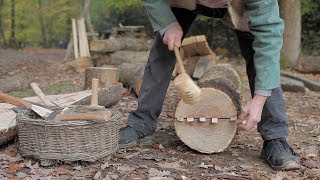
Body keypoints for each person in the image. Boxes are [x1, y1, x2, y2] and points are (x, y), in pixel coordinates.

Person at [119, 0, 301, 170]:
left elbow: (268, 38)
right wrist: (167, 24)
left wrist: (259, 100)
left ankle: (275, 138)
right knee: (163, 48)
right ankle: (142, 123)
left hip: (239, 5)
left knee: (258, 51)